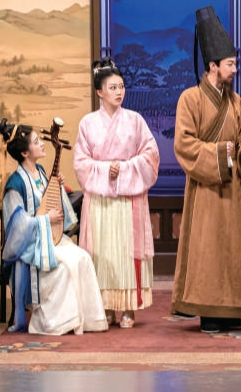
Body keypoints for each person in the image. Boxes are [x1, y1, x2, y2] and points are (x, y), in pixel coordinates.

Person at [171, 6, 241, 333]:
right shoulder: (190, 99)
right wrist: (220, 153)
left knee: (234, 248)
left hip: (233, 189)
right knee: (209, 249)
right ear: (213, 66)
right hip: (206, 189)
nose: (235, 69)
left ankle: (232, 308)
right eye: (230, 64)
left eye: (235, 64)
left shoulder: (235, 102)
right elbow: (184, 145)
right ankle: (209, 311)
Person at [73, 57, 160, 329]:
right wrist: (103, 169)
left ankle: (128, 308)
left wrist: (124, 168)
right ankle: (105, 306)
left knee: (126, 253)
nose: (119, 92)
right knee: (103, 253)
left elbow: (151, 154)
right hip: (100, 200)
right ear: (99, 92)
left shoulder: (135, 120)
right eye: (112, 88)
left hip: (128, 199)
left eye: (121, 87)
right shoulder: (88, 123)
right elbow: (81, 162)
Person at [2, 119, 108, 335]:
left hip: (51, 237)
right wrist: (45, 220)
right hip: (32, 245)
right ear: (24, 153)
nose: (42, 144)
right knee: (67, 265)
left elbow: (51, 203)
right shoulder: (15, 184)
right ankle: (55, 322)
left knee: (83, 258)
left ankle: (88, 320)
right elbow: (17, 227)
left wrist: (56, 186)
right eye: (36, 142)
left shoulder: (41, 171)